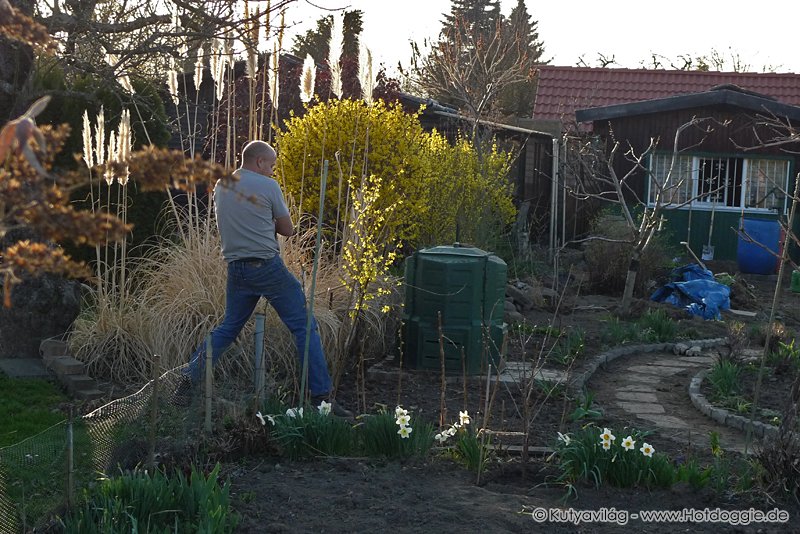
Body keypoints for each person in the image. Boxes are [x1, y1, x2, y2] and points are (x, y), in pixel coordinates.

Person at [176, 140, 352, 418]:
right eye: (271, 165)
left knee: (227, 329)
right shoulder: (268, 186)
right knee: (305, 327)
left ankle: (186, 381)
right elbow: (288, 230)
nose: (272, 170)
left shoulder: (222, 185)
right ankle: (322, 400)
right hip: (267, 267)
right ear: (259, 162)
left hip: (237, 269)